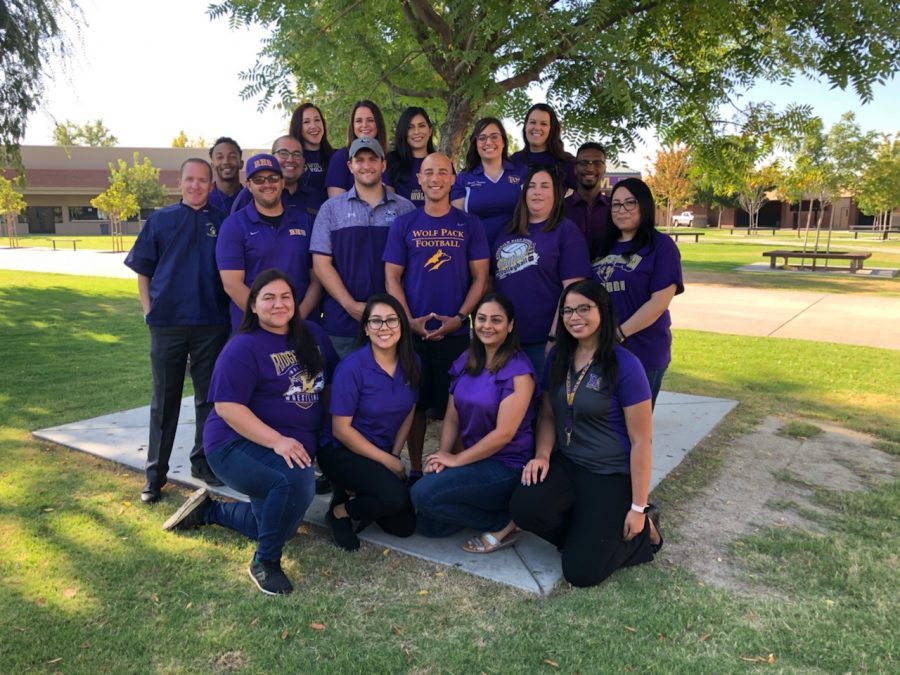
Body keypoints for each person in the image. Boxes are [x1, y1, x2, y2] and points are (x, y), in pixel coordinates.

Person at [161, 269, 338, 595]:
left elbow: (332, 382)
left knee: (277, 524)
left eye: (285, 297)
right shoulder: (242, 347)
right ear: (253, 306)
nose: (278, 304)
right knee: (294, 480)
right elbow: (228, 409)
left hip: (288, 446)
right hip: (234, 444)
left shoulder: (313, 334)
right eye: (268, 298)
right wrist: (278, 441)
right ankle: (265, 562)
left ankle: (211, 510)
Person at [509, 280, 662, 588]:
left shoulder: (626, 366)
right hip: (569, 463)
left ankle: (647, 531)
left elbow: (641, 441)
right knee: (524, 508)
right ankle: (589, 533)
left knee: (581, 572)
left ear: (603, 312)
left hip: (610, 473)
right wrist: (541, 455)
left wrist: (637, 507)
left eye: (583, 309)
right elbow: (549, 414)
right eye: (567, 311)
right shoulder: (558, 357)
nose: (574, 317)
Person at [124, 158, 230, 503]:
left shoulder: (223, 221)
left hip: (210, 323)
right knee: (165, 400)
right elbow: (143, 269)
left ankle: (202, 461)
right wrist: (148, 312)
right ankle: (155, 474)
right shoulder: (161, 220)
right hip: (167, 324)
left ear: (211, 185)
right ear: (179, 182)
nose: (196, 185)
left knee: (207, 400)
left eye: (203, 180)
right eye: (190, 180)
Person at [384, 152, 490, 482]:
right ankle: (416, 468)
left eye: (442, 172)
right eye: (428, 172)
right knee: (413, 405)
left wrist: (460, 318)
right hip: (413, 335)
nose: (435, 178)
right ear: (419, 179)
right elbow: (392, 278)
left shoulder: (469, 225)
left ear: (452, 178)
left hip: (455, 334)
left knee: (455, 405)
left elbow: (481, 278)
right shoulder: (405, 224)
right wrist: (408, 321)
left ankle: (453, 468)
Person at [410, 294, 537, 553]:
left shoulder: (519, 371)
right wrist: (442, 455)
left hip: (506, 466)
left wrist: (456, 460)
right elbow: (452, 416)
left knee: (423, 495)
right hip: (474, 460)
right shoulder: (466, 360)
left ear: (510, 325)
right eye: (481, 319)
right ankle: (488, 507)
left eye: (496, 320)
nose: (487, 326)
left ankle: (504, 521)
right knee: (429, 525)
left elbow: (503, 434)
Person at [317, 294, 420, 551]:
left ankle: (360, 492)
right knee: (394, 497)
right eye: (376, 321)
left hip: (379, 452)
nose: (384, 328)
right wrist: (389, 463)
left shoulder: (412, 362)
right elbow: (341, 430)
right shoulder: (352, 367)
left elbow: (410, 411)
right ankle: (340, 511)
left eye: (391, 320)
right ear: (366, 328)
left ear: (402, 325)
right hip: (341, 451)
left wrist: (394, 454)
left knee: (403, 526)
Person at [311, 136, 415, 357]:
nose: (366, 166)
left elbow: (412, 266)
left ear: (383, 164)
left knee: (390, 388)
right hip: (342, 322)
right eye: (359, 160)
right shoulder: (330, 209)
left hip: (392, 323)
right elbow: (321, 264)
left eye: (372, 159)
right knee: (341, 387)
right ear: (350, 166)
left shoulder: (405, 209)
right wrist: (350, 305)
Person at [592, 178, 683, 406]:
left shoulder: (661, 246)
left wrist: (618, 334)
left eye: (630, 203)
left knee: (635, 431)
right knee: (605, 425)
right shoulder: (602, 247)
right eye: (616, 204)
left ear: (644, 205)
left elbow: (659, 302)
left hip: (644, 351)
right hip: (601, 352)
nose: (621, 210)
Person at [492, 166, 591, 375]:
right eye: (532, 186)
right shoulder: (506, 232)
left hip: (542, 341)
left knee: (544, 405)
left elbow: (573, 292)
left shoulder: (566, 232)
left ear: (555, 194)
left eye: (545, 186)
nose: (537, 192)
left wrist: (554, 337)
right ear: (524, 193)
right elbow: (493, 284)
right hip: (504, 340)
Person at [216, 152, 322, 329]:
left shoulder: (305, 221)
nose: (267, 184)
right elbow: (232, 284)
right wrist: (268, 320)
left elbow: (317, 279)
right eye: (259, 180)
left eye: (272, 178)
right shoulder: (233, 225)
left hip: (301, 325)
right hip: (253, 327)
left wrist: (296, 317)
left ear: (282, 182)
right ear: (249, 185)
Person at [450, 117, 527, 246]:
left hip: (515, 250)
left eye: (494, 136)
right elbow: (458, 221)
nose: (488, 142)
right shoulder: (464, 178)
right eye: (482, 138)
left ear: (503, 141)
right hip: (477, 250)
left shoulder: (521, 173)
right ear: (476, 144)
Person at [231, 135, 322, 218]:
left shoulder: (317, 198)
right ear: (272, 158)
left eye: (297, 154)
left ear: (303, 161)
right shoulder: (250, 195)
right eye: (283, 153)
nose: (290, 159)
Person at [325, 100, 389, 197]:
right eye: (359, 121)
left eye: (370, 120)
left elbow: (392, 203)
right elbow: (336, 206)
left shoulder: (389, 158)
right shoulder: (340, 158)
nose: (364, 125)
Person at [509, 103, 577, 190]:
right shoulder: (514, 161)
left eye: (543, 124)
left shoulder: (565, 162)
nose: (537, 127)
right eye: (533, 122)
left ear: (551, 129)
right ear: (525, 126)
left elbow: (589, 194)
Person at [384, 107, 437, 207]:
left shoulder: (441, 163)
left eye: (421, 126)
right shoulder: (391, 161)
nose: (416, 132)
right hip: (402, 221)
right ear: (403, 132)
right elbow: (389, 205)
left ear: (429, 131)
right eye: (410, 127)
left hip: (438, 222)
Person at [564, 142, 610, 252]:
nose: (590, 168)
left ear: (604, 169)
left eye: (597, 163)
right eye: (584, 163)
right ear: (575, 169)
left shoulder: (615, 209)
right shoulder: (559, 209)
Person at [289, 102, 334, 206]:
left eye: (317, 120)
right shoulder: (291, 160)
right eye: (306, 122)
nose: (313, 126)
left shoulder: (336, 157)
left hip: (330, 218)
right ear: (298, 127)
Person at [208, 137, 244, 215]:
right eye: (220, 157)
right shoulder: (204, 201)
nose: (226, 162)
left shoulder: (254, 200)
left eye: (232, 157)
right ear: (212, 165)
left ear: (241, 163)